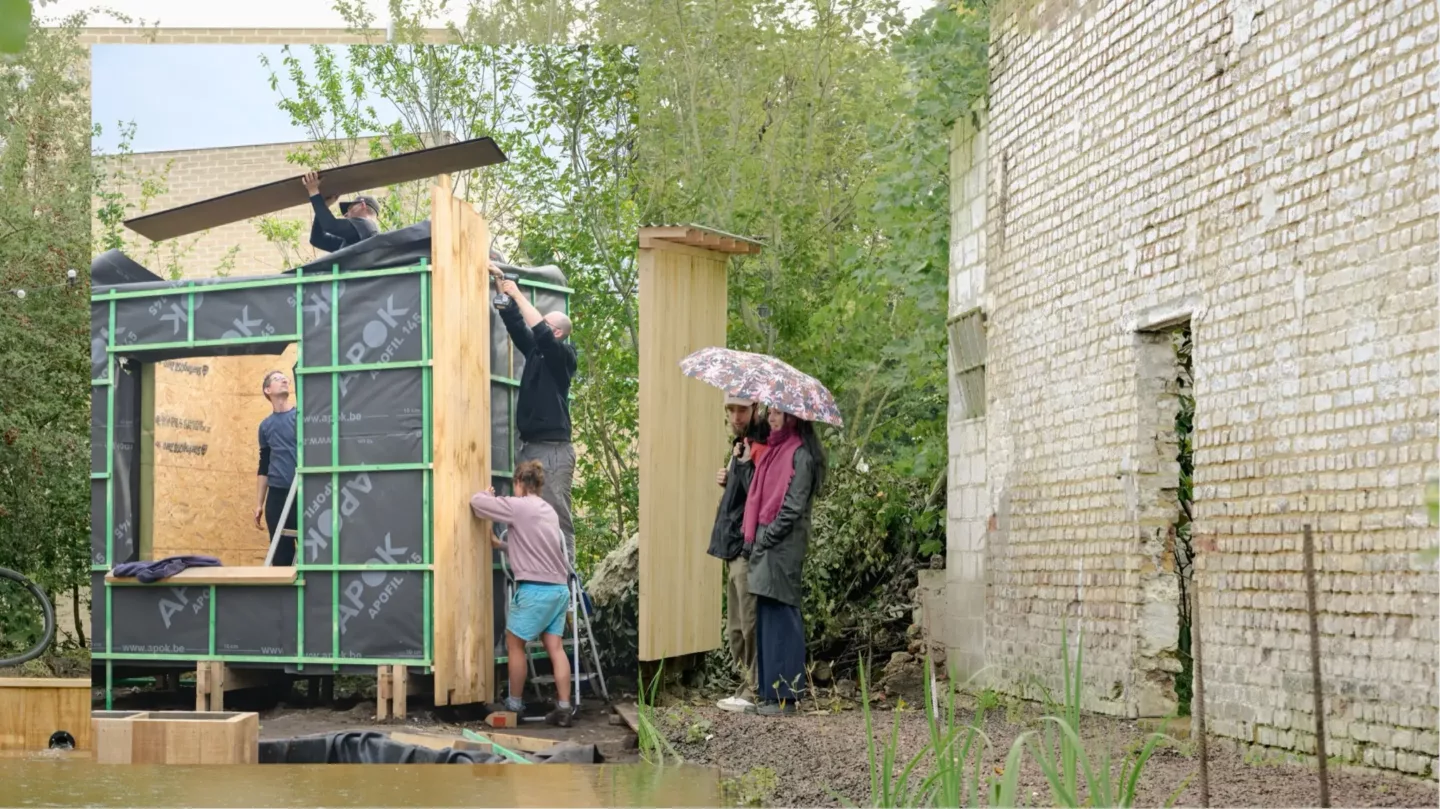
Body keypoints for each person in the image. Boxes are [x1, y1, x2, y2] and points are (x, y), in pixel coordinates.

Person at [470, 460, 574, 727]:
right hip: (559, 589)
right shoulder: (548, 510)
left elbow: (477, 504)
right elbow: (535, 546)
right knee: (555, 647)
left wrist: (488, 495)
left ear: (519, 483)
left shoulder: (518, 506)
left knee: (515, 644)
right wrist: (503, 545)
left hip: (535, 590)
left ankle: (514, 704)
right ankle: (564, 707)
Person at [490, 263, 579, 565]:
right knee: (525, 512)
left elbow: (538, 331)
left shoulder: (563, 357)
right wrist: (501, 283)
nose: (538, 326)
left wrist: (516, 292)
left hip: (554, 451)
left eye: (544, 324)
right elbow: (518, 325)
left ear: (556, 332)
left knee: (556, 514)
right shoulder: (537, 353)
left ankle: (567, 581)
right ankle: (531, 571)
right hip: (531, 447)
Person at [744, 406, 826, 716]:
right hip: (770, 542)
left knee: (782, 614)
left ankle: (785, 698)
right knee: (766, 612)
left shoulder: (800, 454)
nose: (772, 418)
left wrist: (766, 536)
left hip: (783, 545)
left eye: (779, 413)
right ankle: (768, 695)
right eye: (771, 412)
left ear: (794, 417)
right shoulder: (776, 450)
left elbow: (792, 508)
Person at [708, 396, 770, 713]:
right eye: (730, 410)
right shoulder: (741, 444)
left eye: (741, 410)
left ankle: (757, 689)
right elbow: (741, 492)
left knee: (749, 622)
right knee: (734, 627)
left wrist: (742, 467)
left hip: (748, 548)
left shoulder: (760, 443)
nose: (735, 415)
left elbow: (762, 494)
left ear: (755, 408)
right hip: (731, 544)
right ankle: (747, 683)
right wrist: (729, 476)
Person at [253, 370, 298, 566]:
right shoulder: (265, 426)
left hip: (304, 492)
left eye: (285, 378)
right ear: (267, 390)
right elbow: (264, 465)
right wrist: (259, 504)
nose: (285, 380)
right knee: (281, 554)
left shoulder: (300, 417)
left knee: (313, 549)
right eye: (278, 379)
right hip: (278, 495)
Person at [301, 171, 380, 252]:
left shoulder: (366, 225)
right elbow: (317, 239)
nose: (345, 214)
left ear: (362, 205)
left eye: (349, 209)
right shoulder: (359, 237)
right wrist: (324, 206)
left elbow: (330, 225)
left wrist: (313, 191)